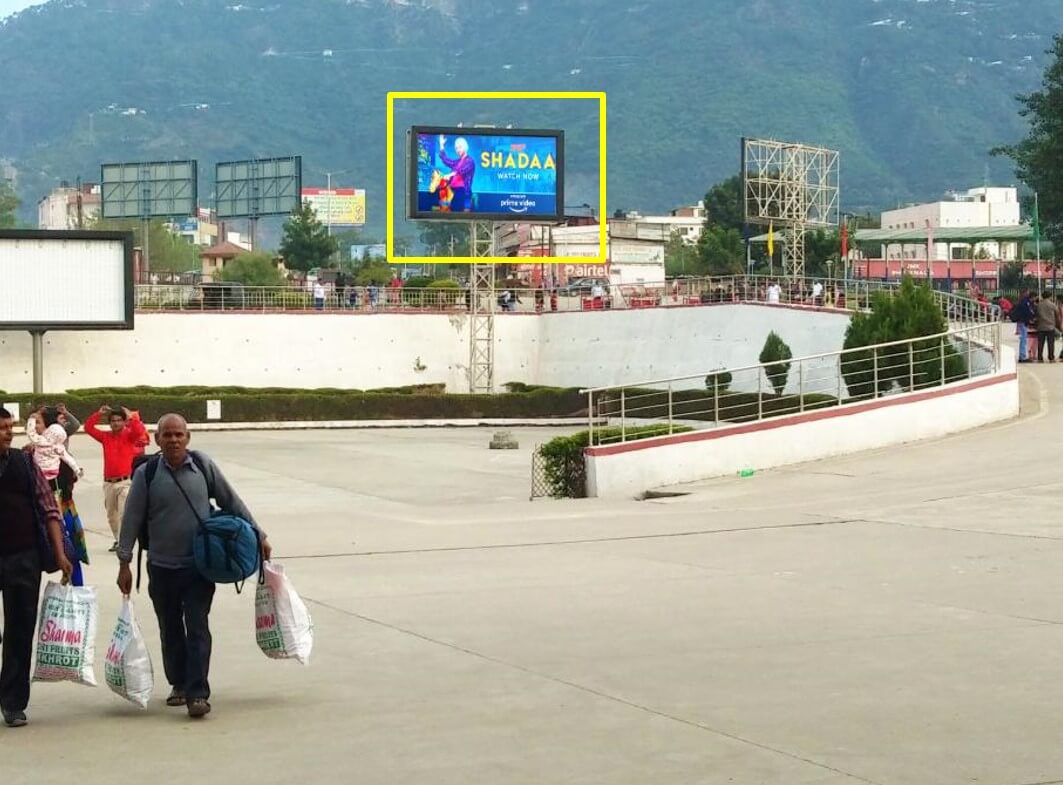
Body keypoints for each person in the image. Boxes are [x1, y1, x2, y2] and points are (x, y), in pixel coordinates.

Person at [116, 414, 271, 719]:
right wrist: (124, 563)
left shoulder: (202, 467)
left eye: (179, 435)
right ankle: (179, 684)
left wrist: (259, 534)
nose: (173, 440)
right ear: (157, 439)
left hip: (199, 567)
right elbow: (131, 520)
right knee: (170, 628)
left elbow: (231, 501)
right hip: (160, 567)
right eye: (167, 435)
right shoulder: (147, 475)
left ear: (188, 437)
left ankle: (198, 692)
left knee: (197, 626)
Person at [0, 407, 73, 728]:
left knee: (20, 629)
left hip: (23, 558)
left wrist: (60, 554)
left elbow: (48, 509)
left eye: (9, 427)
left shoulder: (25, 463)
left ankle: (13, 702)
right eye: (2, 428)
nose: (7, 432)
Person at [84, 404, 149, 552]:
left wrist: (131, 417)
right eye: (113, 420)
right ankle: (118, 539)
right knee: (111, 516)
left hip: (125, 482)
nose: (116, 423)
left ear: (124, 421)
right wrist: (98, 414)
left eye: (119, 420)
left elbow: (139, 431)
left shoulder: (129, 436)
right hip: (108, 483)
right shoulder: (105, 437)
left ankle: (123, 543)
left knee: (123, 514)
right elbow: (88, 428)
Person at [438, 134, 475, 212]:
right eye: (456, 148)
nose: (458, 150)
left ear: (465, 147)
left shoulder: (470, 161)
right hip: (454, 191)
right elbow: (446, 160)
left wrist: (449, 175)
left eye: (460, 147)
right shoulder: (457, 162)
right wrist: (441, 145)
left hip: (463, 192)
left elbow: (461, 170)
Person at [1036, 292, 1060, 363]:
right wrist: (1058, 325)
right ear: (1049, 296)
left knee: (1040, 343)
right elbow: (1057, 314)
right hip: (1050, 327)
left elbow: (1036, 314)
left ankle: (1040, 358)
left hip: (1041, 327)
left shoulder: (1039, 305)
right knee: (1051, 343)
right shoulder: (1052, 305)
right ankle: (1051, 357)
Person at [1012, 289, 1034, 362]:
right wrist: (1030, 318)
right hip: (1023, 321)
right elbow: (1026, 312)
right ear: (1024, 293)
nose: (1028, 293)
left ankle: (1022, 355)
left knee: (1023, 339)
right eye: (1027, 292)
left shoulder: (1021, 301)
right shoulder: (1025, 302)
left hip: (1021, 321)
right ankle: (1022, 356)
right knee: (1023, 339)